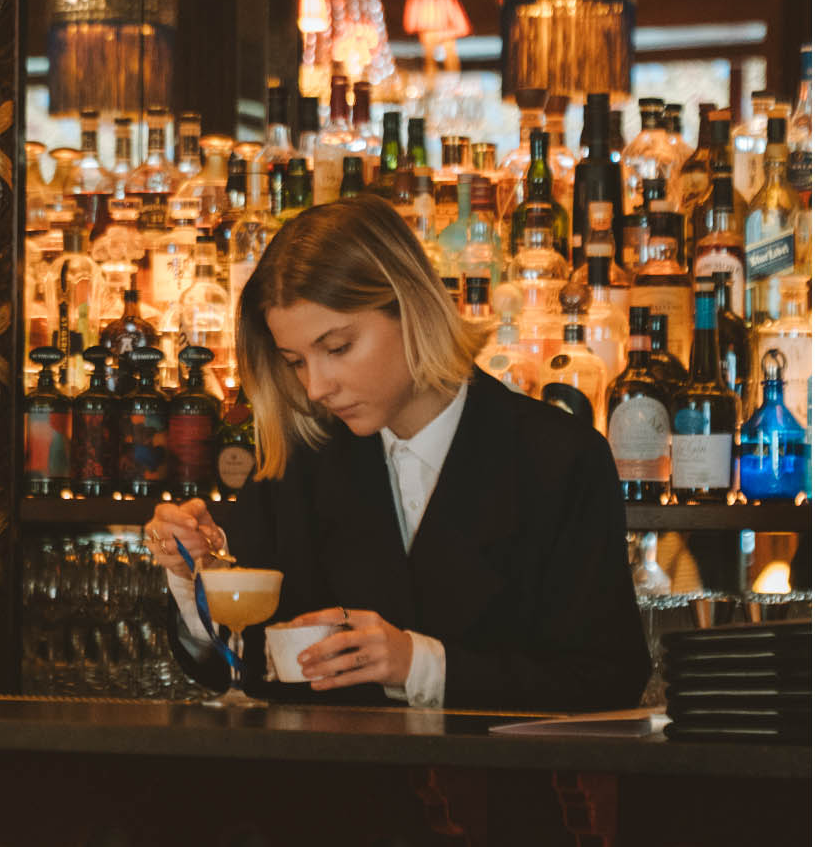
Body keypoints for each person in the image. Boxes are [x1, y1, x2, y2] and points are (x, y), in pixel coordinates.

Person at [146, 196, 649, 712]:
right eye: (295, 362)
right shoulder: (299, 462)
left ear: (411, 307)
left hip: (499, 790)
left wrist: (419, 663)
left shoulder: (559, 458)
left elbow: (608, 680)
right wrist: (197, 581)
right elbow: (243, 668)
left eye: (338, 347)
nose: (316, 386)